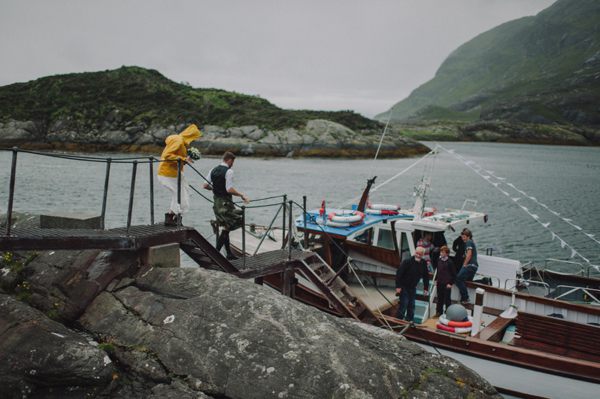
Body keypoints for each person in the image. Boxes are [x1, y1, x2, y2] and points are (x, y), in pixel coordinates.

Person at [203, 151, 249, 260]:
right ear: (229, 160)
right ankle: (215, 254)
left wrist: (214, 188)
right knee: (228, 226)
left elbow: (205, 185)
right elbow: (229, 189)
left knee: (225, 226)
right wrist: (242, 195)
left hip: (216, 203)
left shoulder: (212, 170)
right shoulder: (229, 171)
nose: (232, 164)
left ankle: (228, 254)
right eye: (232, 162)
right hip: (226, 202)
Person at [157, 124, 202, 226]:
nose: (192, 141)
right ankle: (171, 217)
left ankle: (175, 217)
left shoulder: (181, 141)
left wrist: (184, 160)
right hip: (168, 173)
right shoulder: (178, 141)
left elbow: (174, 156)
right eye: (193, 139)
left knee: (181, 193)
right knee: (179, 194)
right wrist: (183, 159)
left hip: (174, 172)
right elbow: (168, 155)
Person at [395, 247, 429, 322]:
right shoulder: (407, 261)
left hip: (412, 287)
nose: (418, 256)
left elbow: (426, 276)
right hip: (404, 286)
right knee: (404, 304)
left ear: (422, 255)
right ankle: (398, 320)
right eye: (417, 253)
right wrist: (398, 286)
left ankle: (409, 321)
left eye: (420, 254)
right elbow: (399, 273)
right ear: (414, 253)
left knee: (411, 306)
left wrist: (425, 288)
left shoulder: (423, 263)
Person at [455, 229, 479, 305]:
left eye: (464, 237)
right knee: (468, 282)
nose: (463, 238)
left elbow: (469, 254)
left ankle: (465, 297)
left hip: (470, 265)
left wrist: (464, 264)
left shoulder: (468, 242)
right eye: (462, 237)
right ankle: (485, 281)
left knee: (458, 279)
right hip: (474, 266)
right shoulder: (472, 242)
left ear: (468, 237)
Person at [433, 246, 457, 318]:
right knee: (439, 298)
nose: (441, 253)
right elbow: (438, 271)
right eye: (441, 252)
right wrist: (436, 279)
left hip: (446, 283)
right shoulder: (439, 260)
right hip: (440, 282)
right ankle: (439, 312)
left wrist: (450, 283)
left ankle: (448, 313)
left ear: (447, 254)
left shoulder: (450, 262)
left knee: (447, 299)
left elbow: (454, 274)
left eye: (443, 252)